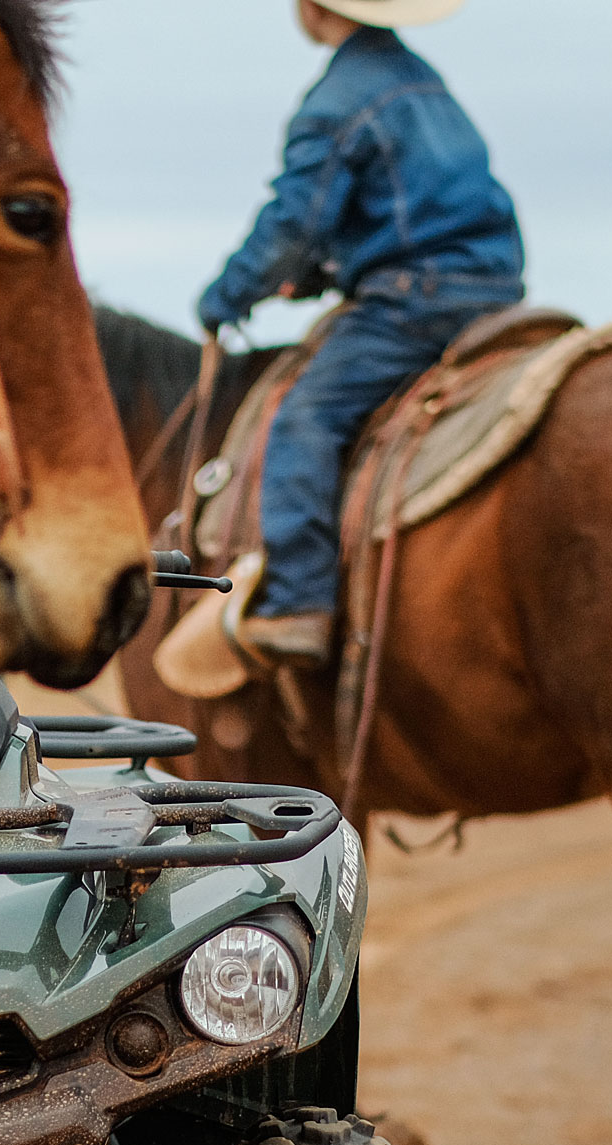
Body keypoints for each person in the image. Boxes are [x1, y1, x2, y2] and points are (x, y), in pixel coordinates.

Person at [198, 0, 523, 667]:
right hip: (493, 293)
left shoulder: (336, 99)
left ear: (314, 9)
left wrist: (226, 296)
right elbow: (409, 210)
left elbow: (293, 223)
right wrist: (325, 270)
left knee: (304, 419)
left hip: (411, 303)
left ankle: (297, 603)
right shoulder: (424, 81)